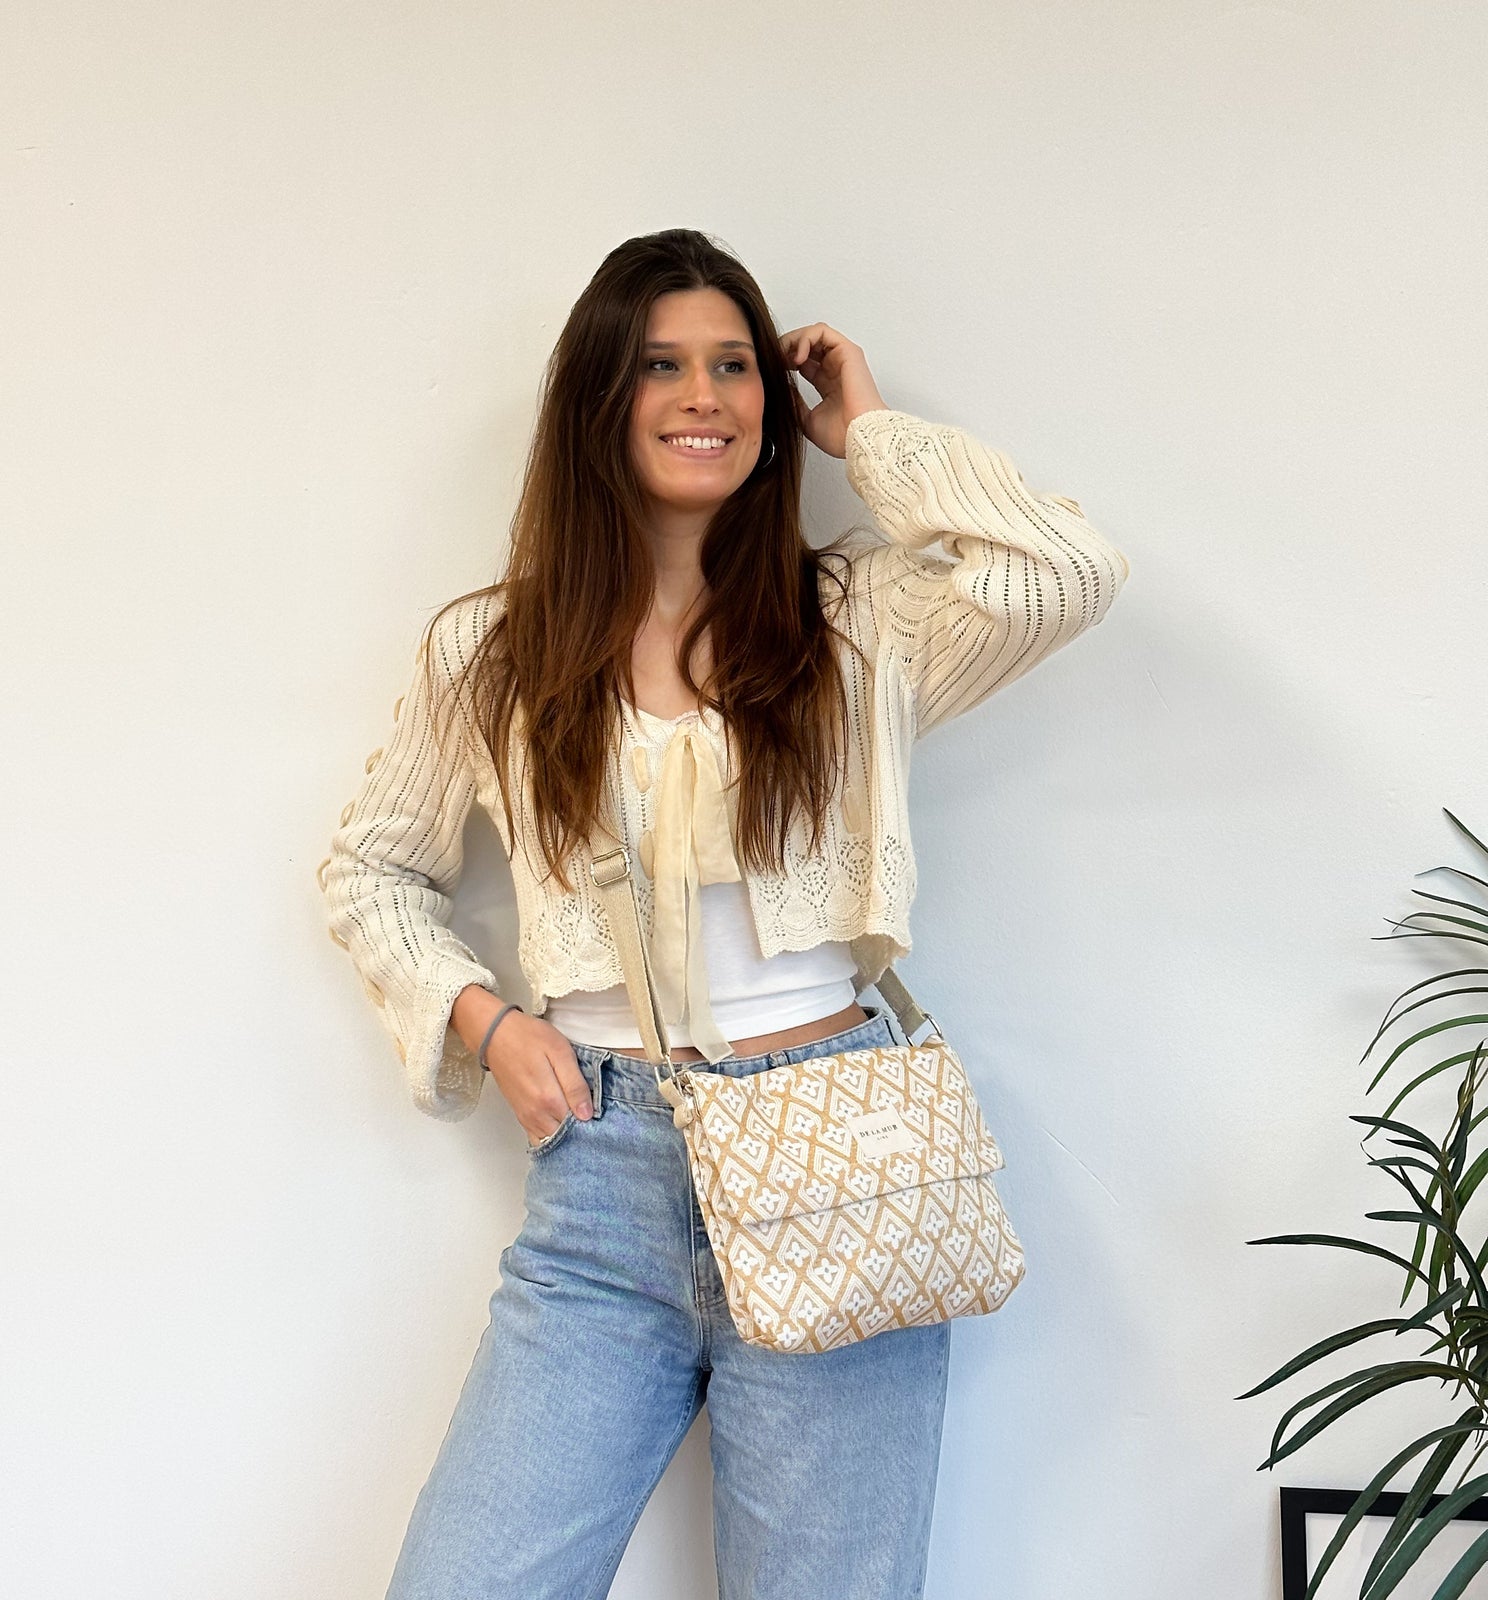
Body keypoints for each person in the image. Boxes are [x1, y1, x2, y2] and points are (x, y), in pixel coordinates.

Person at [319, 227, 1130, 1600]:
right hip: (603, 1183)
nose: (704, 396)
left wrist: (865, 430)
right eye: (661, 366)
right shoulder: (493, 650)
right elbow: (371, 866)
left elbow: (1065, 571)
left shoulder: (858, 619)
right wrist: (487, 1021)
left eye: (735, 365)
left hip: (842, 1160)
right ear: (599, 398)